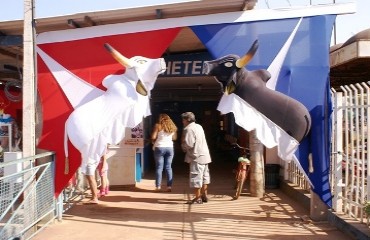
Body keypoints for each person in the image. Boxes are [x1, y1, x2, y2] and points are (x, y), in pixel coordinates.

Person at [181, 112, 212, 204]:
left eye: (183, 119)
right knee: (204, 176)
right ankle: (204, 195)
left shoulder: (189, 129)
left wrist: (183, 147)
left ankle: (198, 197)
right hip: (205, 155)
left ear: (188, 120)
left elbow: (189, 144)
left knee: (196, 177)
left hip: (196, 156)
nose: (182, 121)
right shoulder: (199, 126)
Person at [151, 113, 178, 192]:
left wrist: (154, 140)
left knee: (159, 168)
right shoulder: (173, 127)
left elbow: (153, 137)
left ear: (160, 119)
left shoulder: (158, 126)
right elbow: (175, 138)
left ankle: (158, 186)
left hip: (159, 147)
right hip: (170, 148)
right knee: (168, 167)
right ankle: (169, 187)